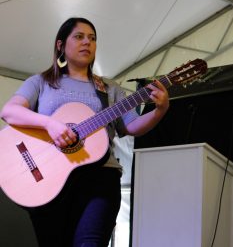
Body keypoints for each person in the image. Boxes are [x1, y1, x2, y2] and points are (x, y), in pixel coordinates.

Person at [0, 17, 170, 246]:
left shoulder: (109, 88)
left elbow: (131, 126)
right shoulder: (41, 82)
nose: (87, 42)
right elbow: (10, 112)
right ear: (60, 45)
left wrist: (160, 110)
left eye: (92, 38)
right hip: (51, 180)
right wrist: (50, 124)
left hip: (101, 177)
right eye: (79, 36)